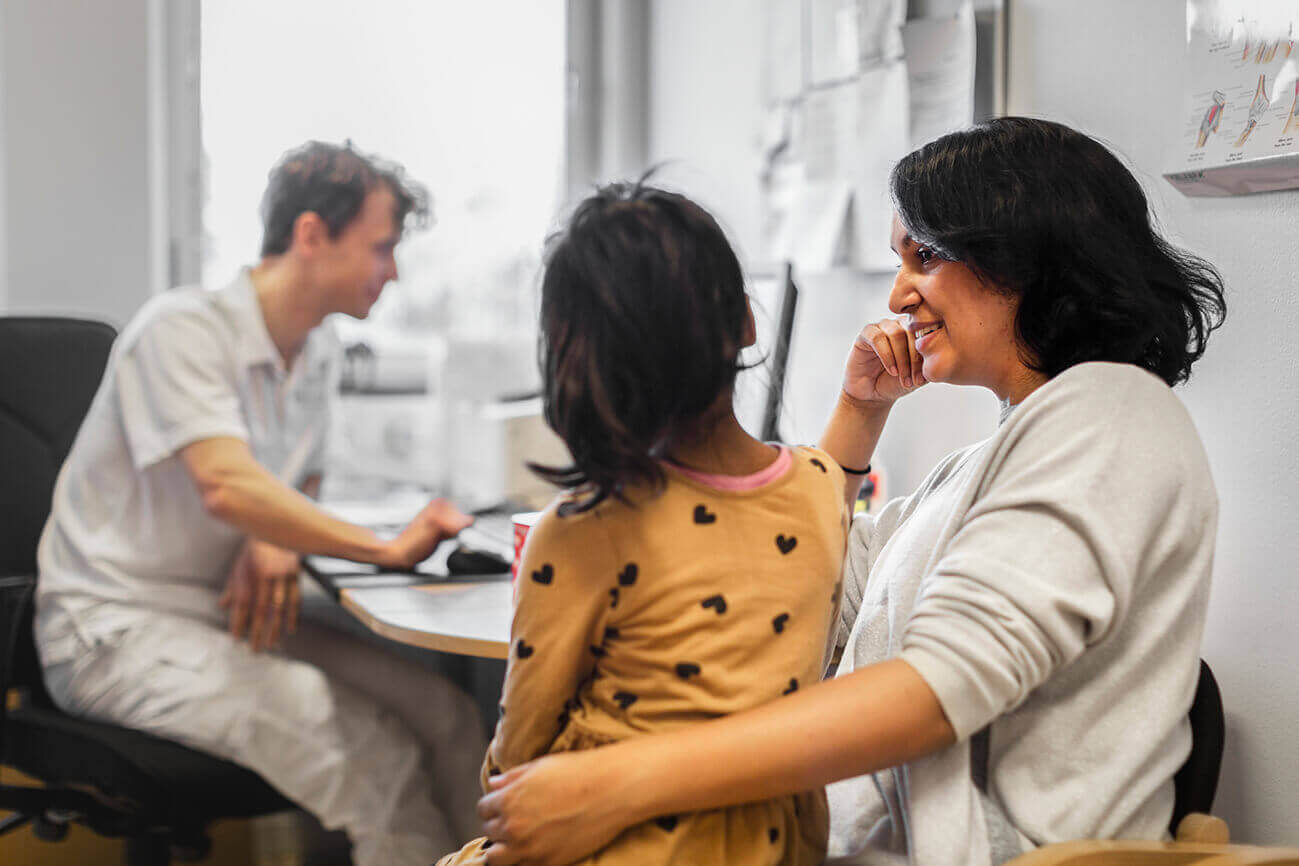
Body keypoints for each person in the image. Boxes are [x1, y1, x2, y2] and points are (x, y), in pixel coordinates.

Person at [470, 117, 1228, 866]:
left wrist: (615, 785)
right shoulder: (983, 464)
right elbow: (807, 574)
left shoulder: (1110, 415)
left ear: (1027, 257)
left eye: (924, 256)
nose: (899, 295)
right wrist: (858, 413)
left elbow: (933, 693)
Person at [34, 141, 487, 866]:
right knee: (377, 760)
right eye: (381, 248)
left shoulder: (318, 351)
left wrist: (270, 537)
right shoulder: (180, 330)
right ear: (311, 234)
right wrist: (385, 548)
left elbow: (291, 482)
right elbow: (226, 484)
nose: (393, 271)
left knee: (449, 715)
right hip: (113, 631)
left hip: (225, 613)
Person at [438, 182, 851, 865]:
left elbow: (515, 769)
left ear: (578, 361)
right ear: (746, 324)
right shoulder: (821, 488)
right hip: (774, 846)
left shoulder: (584, 530)